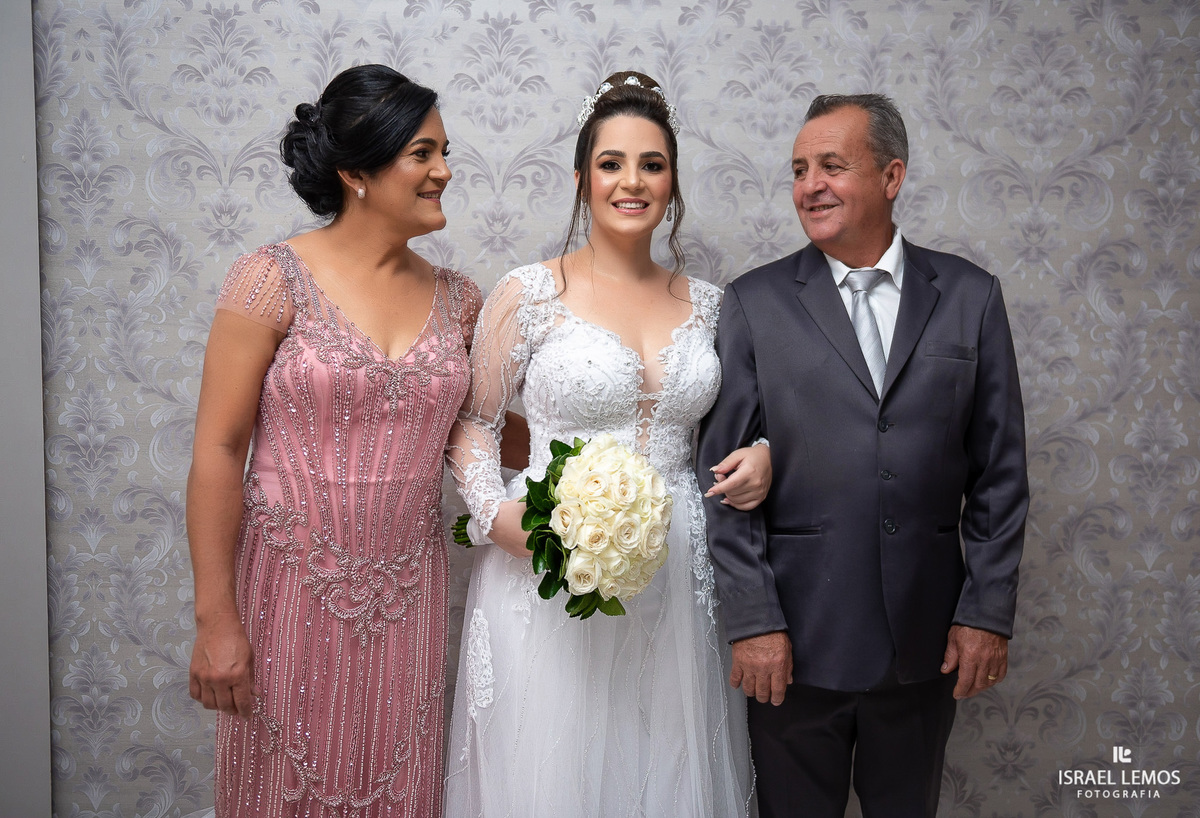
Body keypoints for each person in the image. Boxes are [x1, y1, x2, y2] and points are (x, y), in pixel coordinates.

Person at [186, 64, 514, 818]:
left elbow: (486, 433)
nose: (444, 171)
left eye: (444, 152)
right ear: (357, 172)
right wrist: (215, 617)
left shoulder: (462, 300)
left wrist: (619, 440)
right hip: (287, 598)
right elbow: (218, 450)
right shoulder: (270, 279)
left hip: (408, 602)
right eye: (422, 153)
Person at [444, 71, 768, 816]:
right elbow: (476, 423)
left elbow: (746, 424)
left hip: (680, 570)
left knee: (665, 763)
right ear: (583, 178)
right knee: (554, 767)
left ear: (672, 182)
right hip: (549, 556)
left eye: (652, 164)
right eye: (612, 163)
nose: (632, 181)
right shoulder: (527, 295)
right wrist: (497, 517)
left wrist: (766, 454)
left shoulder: (715, 307)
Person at [698, 93, 1028, 818]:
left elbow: (1000, 476)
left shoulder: (970, 296)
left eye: (832, 166)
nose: (810, 186)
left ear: (891, 175)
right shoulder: (754, 303)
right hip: (794, 643)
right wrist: (754, 622)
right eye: (799, 170)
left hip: (926, 639)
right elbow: (719, 478)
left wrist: (986, 613)